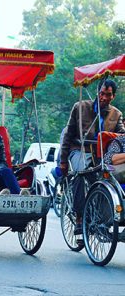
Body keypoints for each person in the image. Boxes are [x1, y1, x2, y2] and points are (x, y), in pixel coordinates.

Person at [60, 79, 125, 235]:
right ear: (97, 92)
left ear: (113, 96)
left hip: (101, 155)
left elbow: (121, 134)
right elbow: (68, 135)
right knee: (82, 172)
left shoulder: (116, 114)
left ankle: (104, 218)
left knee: (108, 178)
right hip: (79, 150)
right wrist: (63, 161)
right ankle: (80, 217)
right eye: (102, 93)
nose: (104, 97)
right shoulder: (80, 107)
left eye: (108, 95)